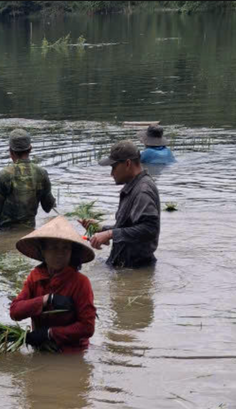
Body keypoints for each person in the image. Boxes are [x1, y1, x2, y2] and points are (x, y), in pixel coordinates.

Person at [10, 216, 96, 353]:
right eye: (54, 248)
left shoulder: (80, 282)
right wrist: (46, 299)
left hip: (71, 353)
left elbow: (87, 328)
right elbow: (15, 312)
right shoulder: (35, 277)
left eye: (65, 248)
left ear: (71, 253)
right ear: (43, 251)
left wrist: (50, 333)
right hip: (41, 349)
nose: (60, 254)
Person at [83, 140, 161, 269]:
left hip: (135, 268)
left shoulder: (142, 190)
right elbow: (130, 226)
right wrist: (101, 228)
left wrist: (109, 234)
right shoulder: (135, 186)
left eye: (114, 167)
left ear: (128, 163)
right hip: (126, 264)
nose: (111, 173)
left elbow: (150, 229)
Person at [0, 129, 56, 231]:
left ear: (10, 151)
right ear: (30, 149)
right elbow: (48, 207)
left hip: (5, 232)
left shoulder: (4, 175)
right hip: (30, 232)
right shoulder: (42, 173)